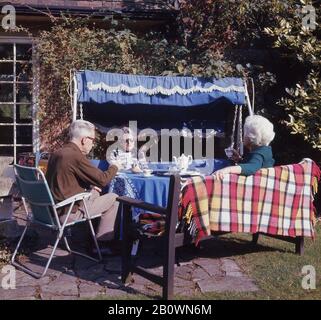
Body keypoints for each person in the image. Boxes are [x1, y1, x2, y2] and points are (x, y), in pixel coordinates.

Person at [46, 120, 123, 252]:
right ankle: (102, 244)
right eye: (92, 140)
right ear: (84, 140)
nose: (93, 144)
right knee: (115, 198)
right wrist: (115, 166)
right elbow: (103, 180)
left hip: (51, 210)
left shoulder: (58, 153)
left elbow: (66, 179)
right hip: (67, 212)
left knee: (96, 192)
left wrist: (90, 188)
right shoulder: (74, 156)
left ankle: (90, 237)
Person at [213, 115, 275, 180]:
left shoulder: (258, 154)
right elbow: (255, 164)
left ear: (251, 138)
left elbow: (251, 168)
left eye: (244, 134)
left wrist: (227, 170)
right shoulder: (263, 150)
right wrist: (239, 159)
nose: (243, 136)